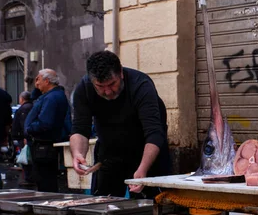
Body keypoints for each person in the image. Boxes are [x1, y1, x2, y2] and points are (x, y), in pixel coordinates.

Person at [70, 50, 170, 198]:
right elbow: (80, 129)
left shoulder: (141, 85)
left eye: (112, 84)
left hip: (146, 152)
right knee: (103, 203)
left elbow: (154, 133)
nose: (108, 92)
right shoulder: (84, 88)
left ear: (121, 73)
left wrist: (142, 170)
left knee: (148, 209)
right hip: (109, 153)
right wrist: (78, 154)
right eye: (100, 86)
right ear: (92, 82)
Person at [25, 69, 72, 192]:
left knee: (45, 182)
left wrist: (30, 128)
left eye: (39, 79)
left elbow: (45, 123)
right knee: (45, 180)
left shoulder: (51, 98)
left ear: (47, 81)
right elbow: (34, 98)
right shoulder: (52, 95)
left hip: (44, 146)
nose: (37, 82)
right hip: (45, 146)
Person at [12, 91, 35, 187]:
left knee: (26, 158)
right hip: (26, 136)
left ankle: (29, 178)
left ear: (22, 99)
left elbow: (24, 123)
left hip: (24, 137)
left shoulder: (24, 109)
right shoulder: (32, 106)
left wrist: (26, 136)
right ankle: (30, 177)